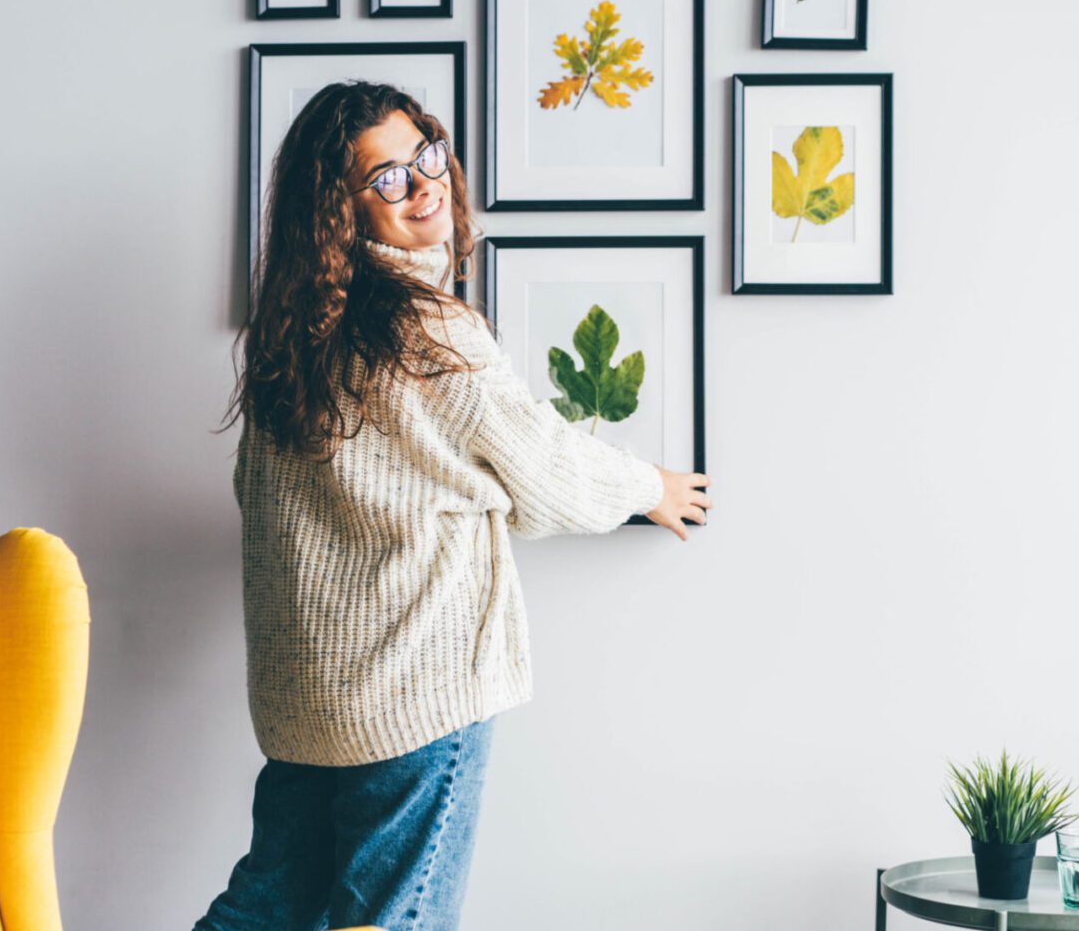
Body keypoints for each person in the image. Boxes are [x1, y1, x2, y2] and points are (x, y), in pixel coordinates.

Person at [198, 80, 711, 931]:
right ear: (342, 210)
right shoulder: (427, 331)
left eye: (426, 154)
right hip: (410, 696)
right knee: (394, 920)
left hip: (306, 705)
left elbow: (257, 494)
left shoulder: (289, 335)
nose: (425, 183)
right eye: (388, 177)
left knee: (264, 911)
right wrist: (650, 488)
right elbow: (542, 471)